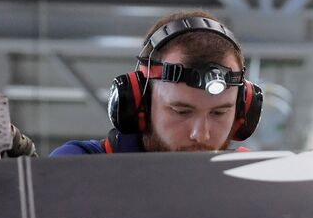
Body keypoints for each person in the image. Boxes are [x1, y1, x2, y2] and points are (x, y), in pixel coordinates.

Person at [51, 10, 262, 155]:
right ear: (140, 103)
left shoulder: (257, 189)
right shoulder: (81, 169)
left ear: (243, 112)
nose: (201, 134)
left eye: (219, 113)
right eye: (181, 111)